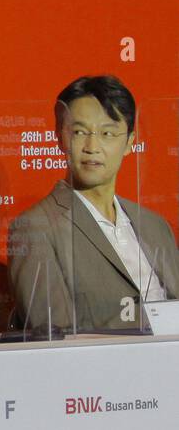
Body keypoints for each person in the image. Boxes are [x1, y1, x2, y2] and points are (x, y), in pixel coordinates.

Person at [9, 76, 178, 333]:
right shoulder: (36, 227)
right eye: (79, 132)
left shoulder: (156, 226)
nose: (92, 147)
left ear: (130, 142)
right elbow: (55, 336)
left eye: (107, 133)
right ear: (60, 137)